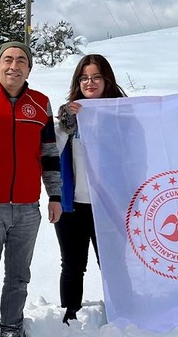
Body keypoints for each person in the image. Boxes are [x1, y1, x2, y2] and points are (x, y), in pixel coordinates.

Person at [0, 41, 62, 337]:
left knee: (19, 276)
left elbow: (49, 153)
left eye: (20, 61)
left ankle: (11, 327)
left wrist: (54, 196)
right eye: (8, 59)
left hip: (28, 208)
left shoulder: (41, 103)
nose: (13, 66)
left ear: (29, 67)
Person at [56, 54, 126, 325]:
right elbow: (51, 152)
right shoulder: (69, 113)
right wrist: (64, 125)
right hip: (73, 203)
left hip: (109, 206)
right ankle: (68, 316)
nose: (90, 82)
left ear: (106, 79)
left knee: (114, 264)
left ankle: (123, 312)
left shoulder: (122, 112)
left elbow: (136, 154)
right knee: (72, 264)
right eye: (84, 78)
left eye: (96, 76)